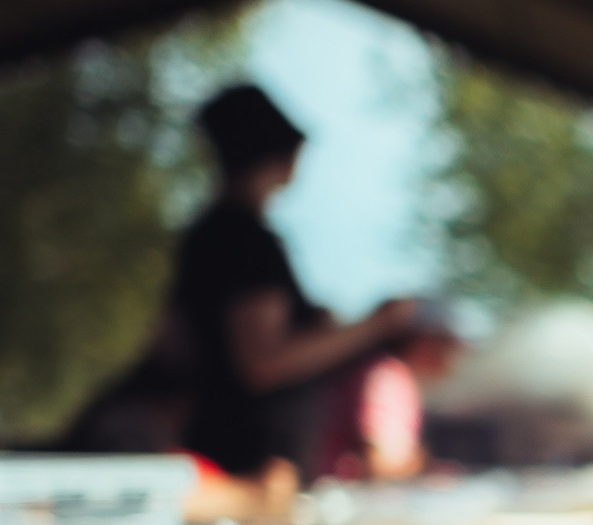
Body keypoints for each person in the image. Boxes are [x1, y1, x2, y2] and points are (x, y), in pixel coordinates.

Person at [168, 84, 415, 479]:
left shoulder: (210, 235)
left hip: (225, 458)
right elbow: (262, 362)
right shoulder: (244, 239)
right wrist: (375, 324)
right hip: (248, 468)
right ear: (280, 152)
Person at [309, 300, 469, 480]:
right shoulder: (388, 376)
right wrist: (423, 463)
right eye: (447, 345)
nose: (452, 359)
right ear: (425, 340)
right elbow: (382, 464)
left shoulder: (376, 370)